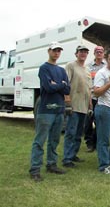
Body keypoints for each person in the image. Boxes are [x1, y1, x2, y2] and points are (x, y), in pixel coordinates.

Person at [29, 41, 70, 182]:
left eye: (59, 50)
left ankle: (51, 164)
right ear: (49, 51)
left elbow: (67, 89)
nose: (56, 53)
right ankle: (35, 169)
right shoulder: (44, 68)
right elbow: (48, 87)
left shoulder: (61, 70)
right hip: (46, 110)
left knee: (54, 140)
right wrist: (61, 85)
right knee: (40, 141)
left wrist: (57, 85)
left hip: (59, 110)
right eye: (54, 50)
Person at [62, 45, 92, 168]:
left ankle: (73, 154)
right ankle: (67, 158)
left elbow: (89, 89)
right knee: (71, 132)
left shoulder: (87, 69)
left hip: (84, 106)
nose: (83, 54)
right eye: (81, 52)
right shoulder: (70, 66)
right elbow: (65, 85)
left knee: (79, 133)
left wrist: (90, 105)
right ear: (76, 54)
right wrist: (67, 102)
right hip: (73, 105)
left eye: (85, 52)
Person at [84, 45, 106, 152]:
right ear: (94, 53)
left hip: (102, 98)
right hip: (91, 97)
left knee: (99, 122)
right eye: (97, 51)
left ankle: (96, 142)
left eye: (101, 51)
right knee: (88, 122)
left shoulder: (106, 66)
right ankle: (89, 143)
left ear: (103, 53)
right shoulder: (88, 67)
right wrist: (89, 101)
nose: (99, 53)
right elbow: (87, 84)